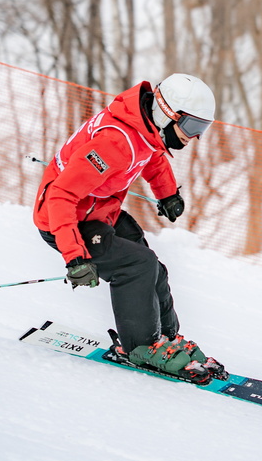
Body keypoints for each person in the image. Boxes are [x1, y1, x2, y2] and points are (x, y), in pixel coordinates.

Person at [33, 74, 227, 384]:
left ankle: (166, 339)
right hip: (64, 221)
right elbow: (60, 195)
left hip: (99, 214)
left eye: (202, 129)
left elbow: (151, 159)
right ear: (167, 113)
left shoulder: (145, 130)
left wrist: (167, 194)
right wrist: (74, 256)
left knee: (154, 268)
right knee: (137, 265)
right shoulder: (114, 141)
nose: (195, 137)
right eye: (191, 127)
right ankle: (139, 346)